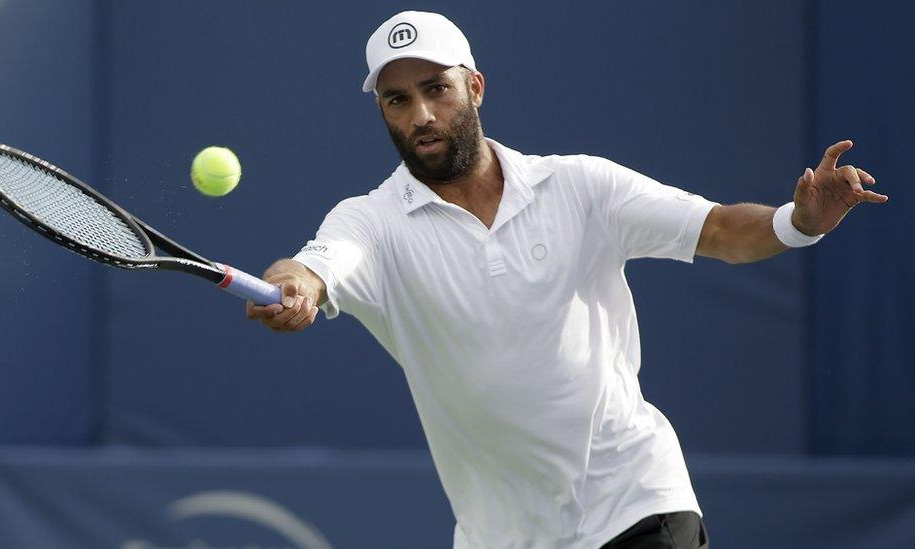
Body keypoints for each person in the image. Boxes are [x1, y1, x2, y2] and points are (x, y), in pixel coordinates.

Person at [245, 10, 887, 549]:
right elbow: (317, 263)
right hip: (501, 534)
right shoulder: (371, 221)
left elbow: (718, 229)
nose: (420, 115)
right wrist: (297, 284)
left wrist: (798, 222)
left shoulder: (581, 185)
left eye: (436, 88)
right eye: (397, 99)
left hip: (635, 501)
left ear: (475, 86)